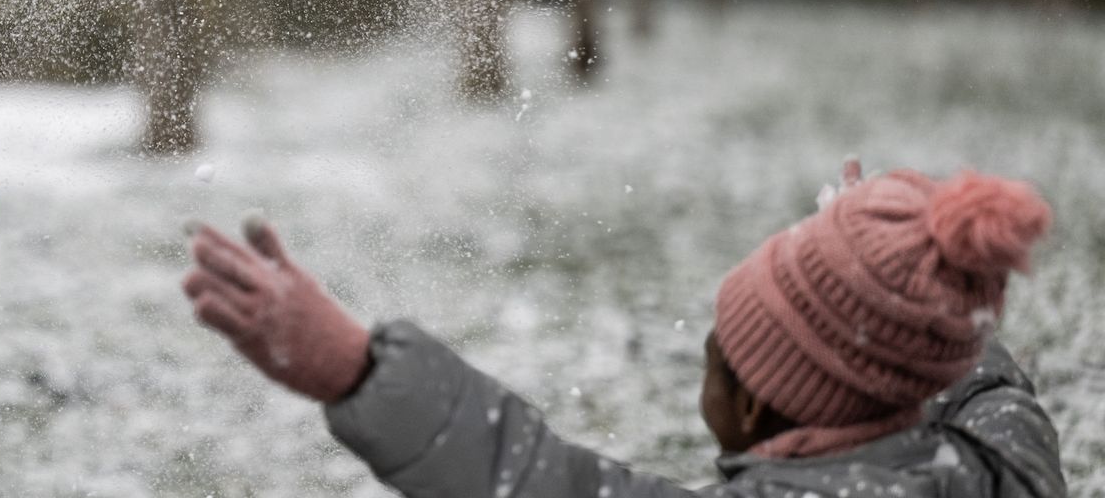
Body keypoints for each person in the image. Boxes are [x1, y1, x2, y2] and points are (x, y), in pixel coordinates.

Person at [182, 161, 1064, 498]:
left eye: (724, 354)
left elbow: (534, 483)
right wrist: (891, 269)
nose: (708, 359)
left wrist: (350, 368)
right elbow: (978, 380)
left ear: (763, 407)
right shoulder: (1007, 467)